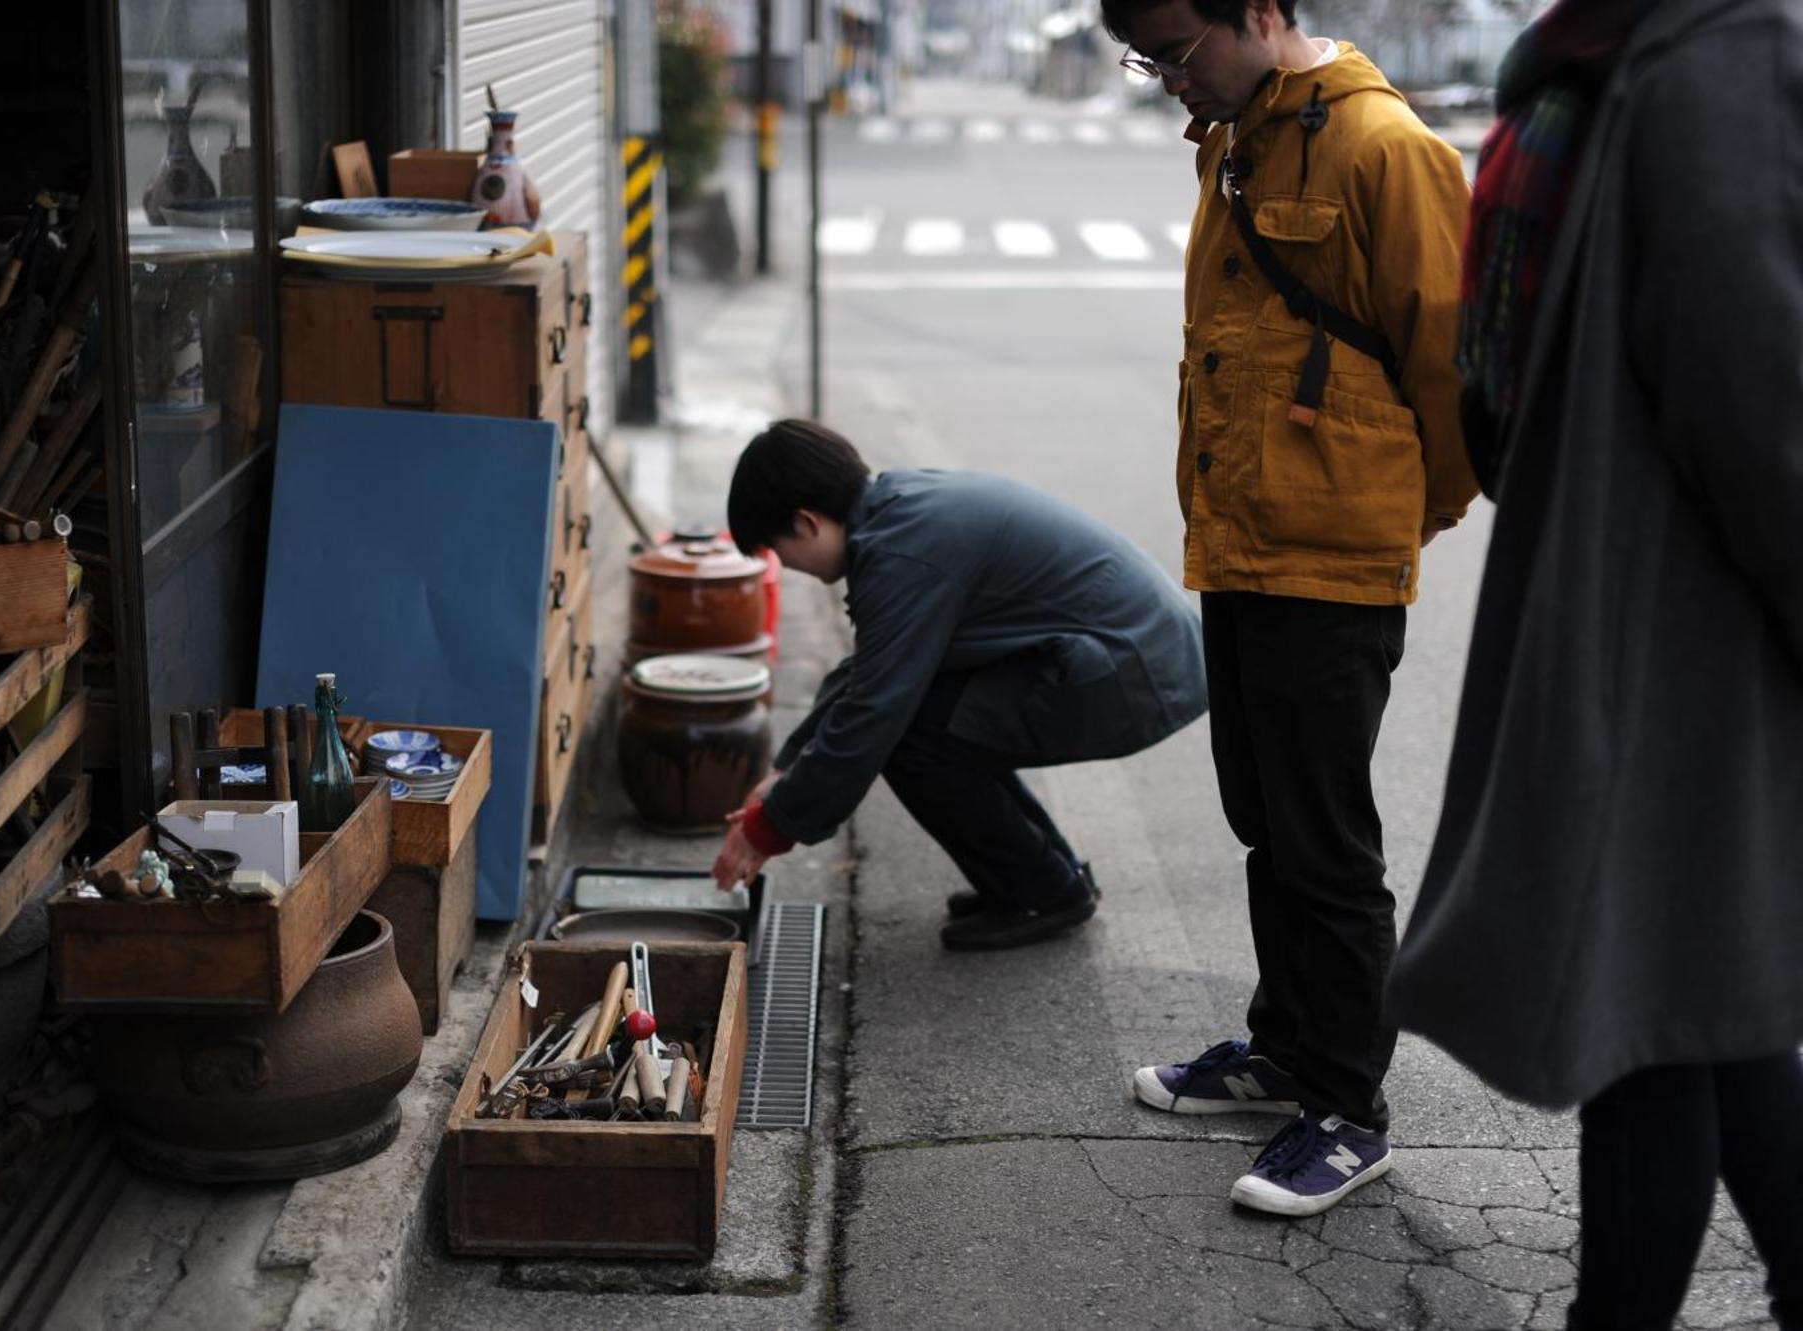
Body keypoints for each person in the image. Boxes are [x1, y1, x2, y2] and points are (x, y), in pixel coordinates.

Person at [1389, 2, 1803, 1326]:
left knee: (1683, 1015)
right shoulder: (1717, 54)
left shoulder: (1589, 64)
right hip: (1691, 623)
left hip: (1639, 598)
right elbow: (1763, 398)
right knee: (1685, 1010)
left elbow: (1513, 386)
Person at [1097, 0, 1479, 1216]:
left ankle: (1347, 1107)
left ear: (1259, 13)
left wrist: (1388, 516)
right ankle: (1282, 1048)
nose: (1164, 77)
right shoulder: (1237, 135)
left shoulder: (1384, 147)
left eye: (1176, 49)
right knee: (1262, 813)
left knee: (1324, 842)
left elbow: (1455, 372)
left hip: (1330, 555)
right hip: (1240, 541)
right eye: (1145, 58)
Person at [708, 419, 1207, 951]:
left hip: (1130, 672)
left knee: (910, 734)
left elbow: (874, 711)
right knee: (930, 715)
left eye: (778, 552)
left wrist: (771, 827)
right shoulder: (897, 510)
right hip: (1131, 653)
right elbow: (872, 671)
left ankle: (1041, 890)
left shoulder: (899, 555)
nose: (787, 567)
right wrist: (788, 770)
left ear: (807, 522)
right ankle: (1041, 878)